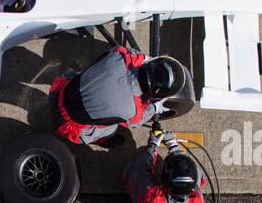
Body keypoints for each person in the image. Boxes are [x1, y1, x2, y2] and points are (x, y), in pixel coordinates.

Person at [49, 50, 187, 147]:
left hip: (58, 91)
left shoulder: (119, 56)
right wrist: (156, 107)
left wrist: (146, 59)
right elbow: (137, 121)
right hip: (67, 126)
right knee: (113, 128)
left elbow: (133, 54)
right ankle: (103, 140)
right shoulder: (134, 113)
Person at [124, 128, 208, 203]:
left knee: (132, 174)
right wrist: (173, 146)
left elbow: (140, 170)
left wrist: (153, 145)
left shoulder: (152, 197)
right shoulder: (198, 200)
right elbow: (201, 178)